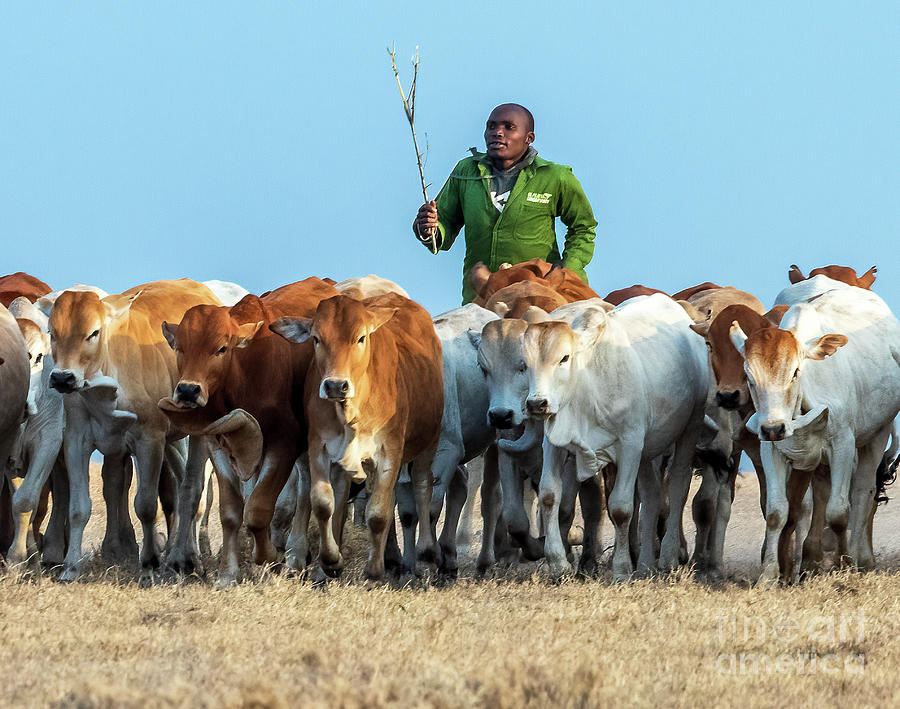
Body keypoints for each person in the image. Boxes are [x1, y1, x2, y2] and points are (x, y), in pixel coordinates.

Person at [413, 103, 597, 303]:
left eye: (509, 127)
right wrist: (427, 228)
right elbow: (444, 223)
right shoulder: (466, 171)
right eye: (491, 126)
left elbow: (583, 227)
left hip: (539, 296)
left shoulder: (555, 177)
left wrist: (567, 272)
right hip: (481, 299)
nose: (497, 133)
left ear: (529, 138)